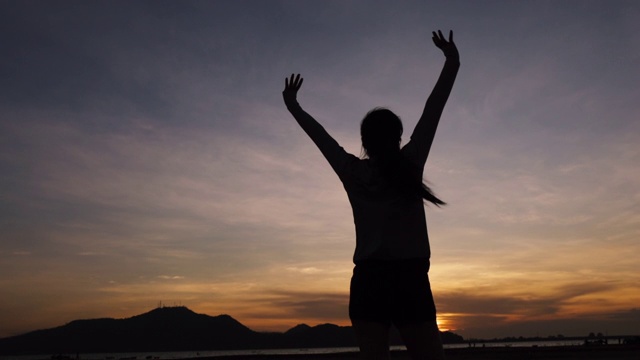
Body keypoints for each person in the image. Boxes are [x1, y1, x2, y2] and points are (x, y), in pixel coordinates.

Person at [282, 30, 460, 360]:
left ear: (364, 142)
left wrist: (294, 106)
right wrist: (451, 60)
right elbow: (433, 108)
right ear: (399, 136)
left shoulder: (354, 172)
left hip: (369, 282)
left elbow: (321, 138)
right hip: (410, 280)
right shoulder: (411, 161)